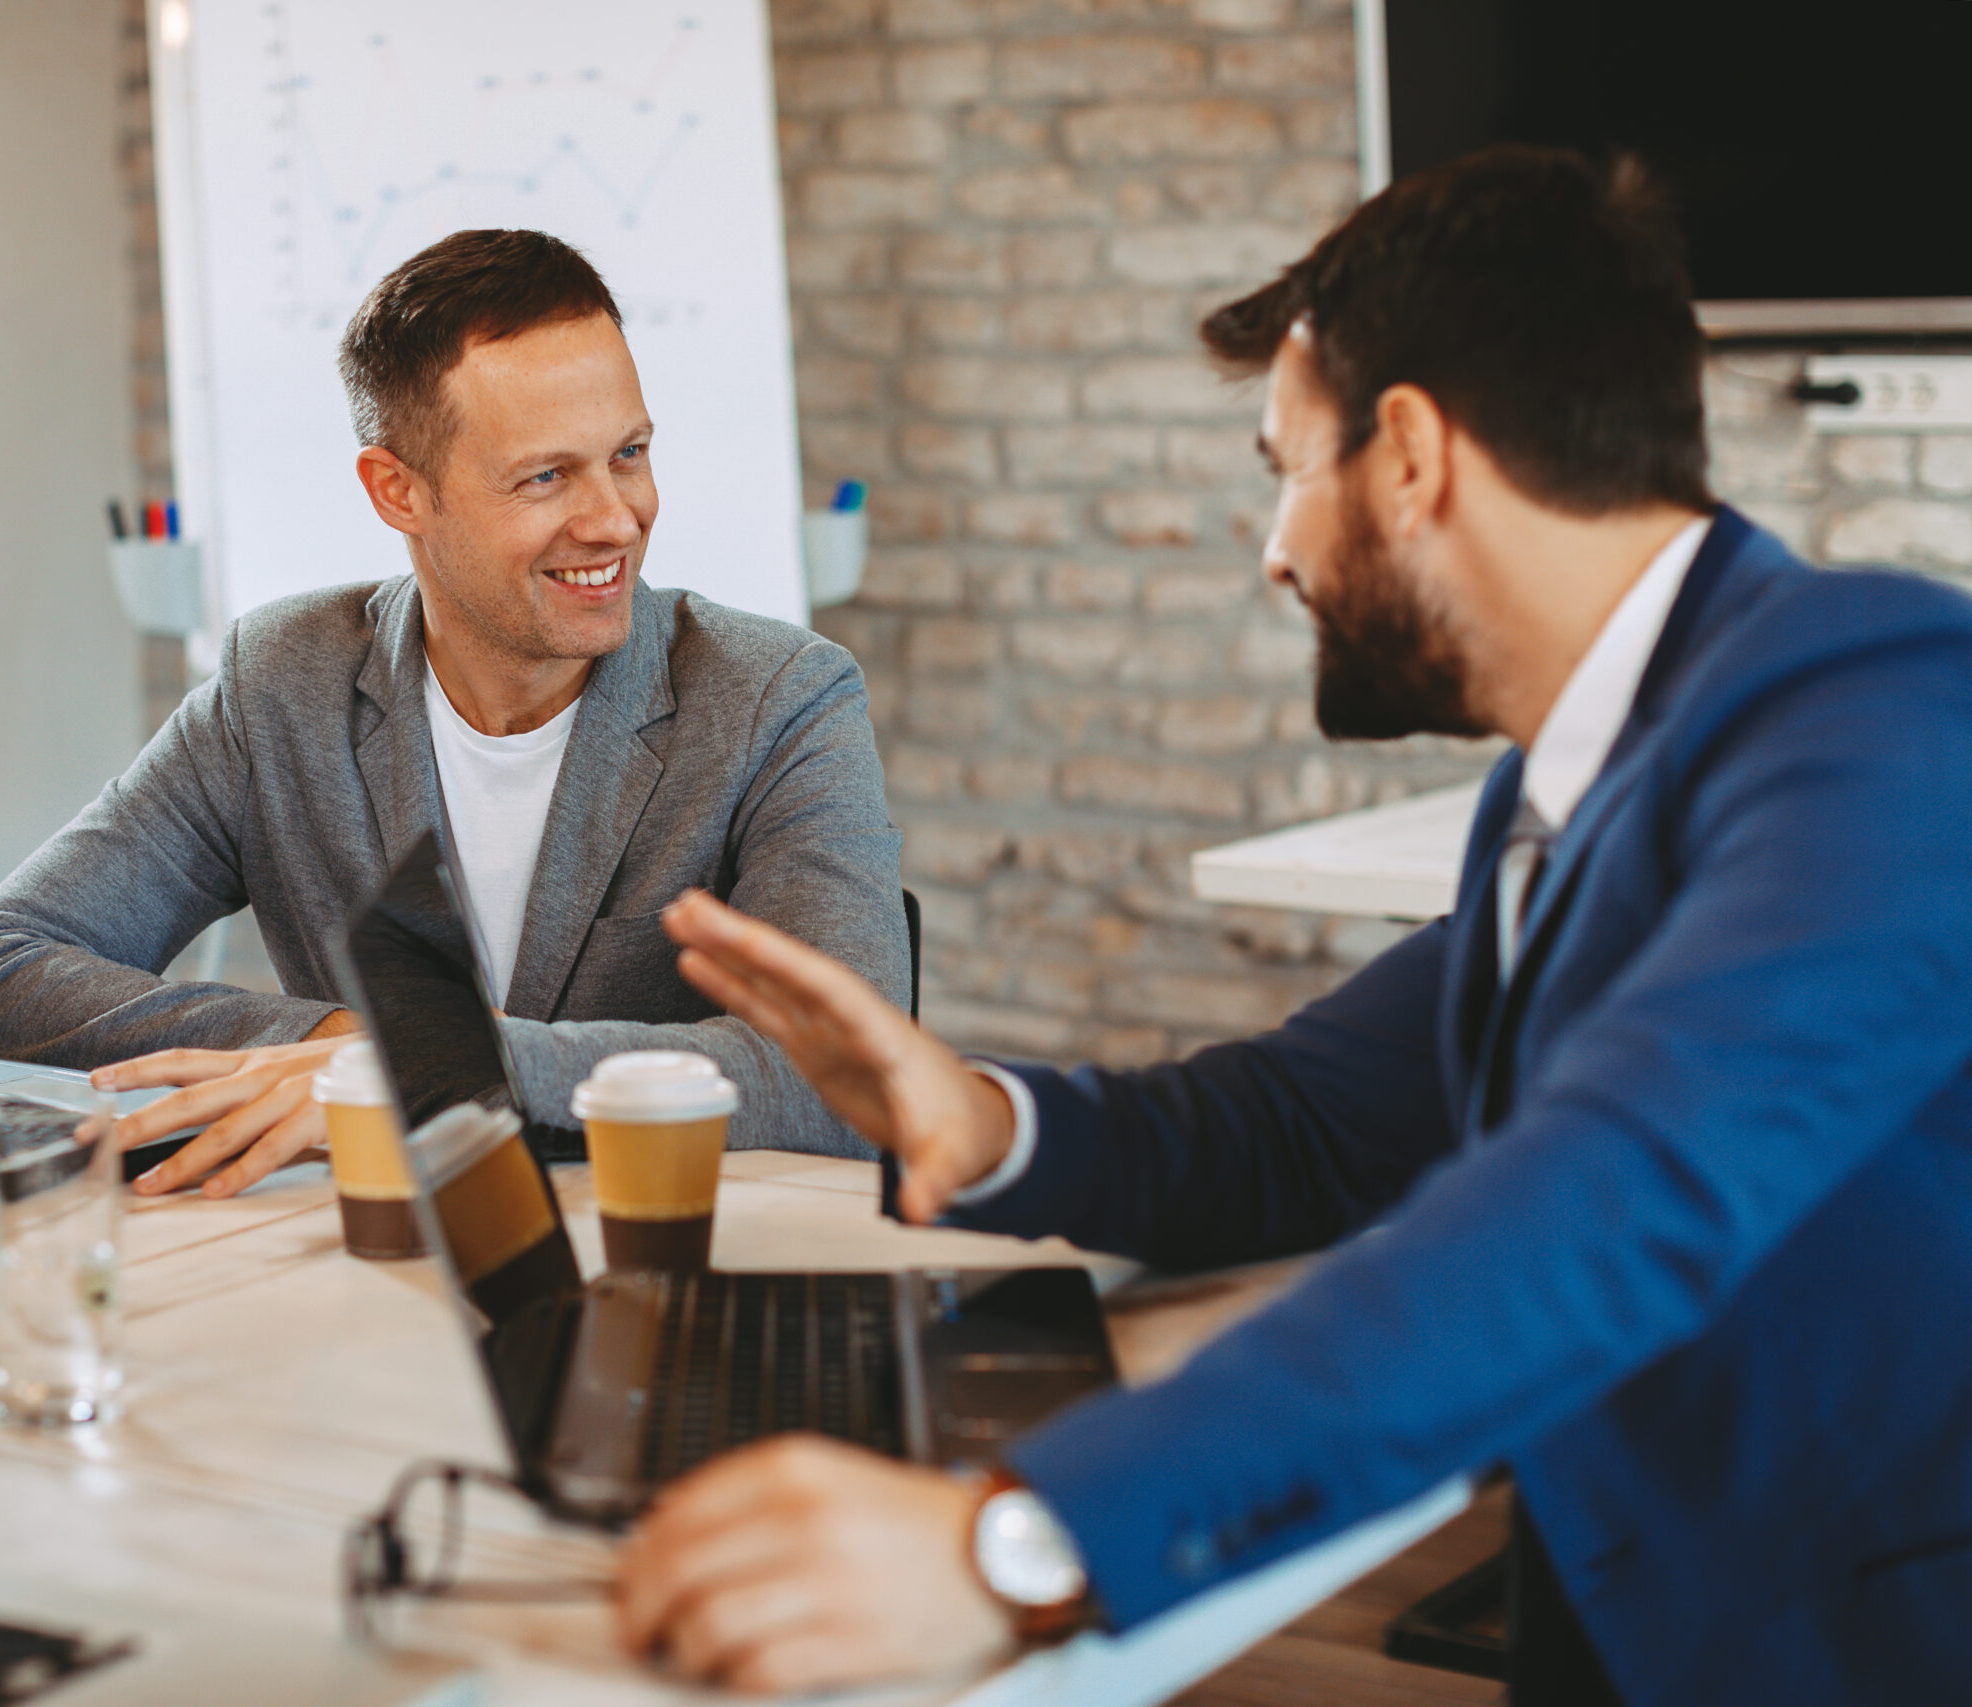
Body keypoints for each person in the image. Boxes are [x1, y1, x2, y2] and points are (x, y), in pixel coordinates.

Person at [610, 147, 1972, 1705]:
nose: (1276, 546)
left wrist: (1021, 1540)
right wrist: (974, 1113)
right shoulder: (1583, 772)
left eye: (1286, 464)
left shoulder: (1892, 711)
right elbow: (1313, 1119)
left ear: (1408, 456)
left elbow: (1607, 1192)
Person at [0, 230, 907, 1192]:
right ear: (398, 492)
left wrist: (434, 1063)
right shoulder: (280, 685)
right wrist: (341, 1048)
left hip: (667, 1268)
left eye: (630, 453)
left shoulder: (782, 699)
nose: (614, 516)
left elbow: (854, 1076)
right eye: (545, 476)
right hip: (359, 1267)